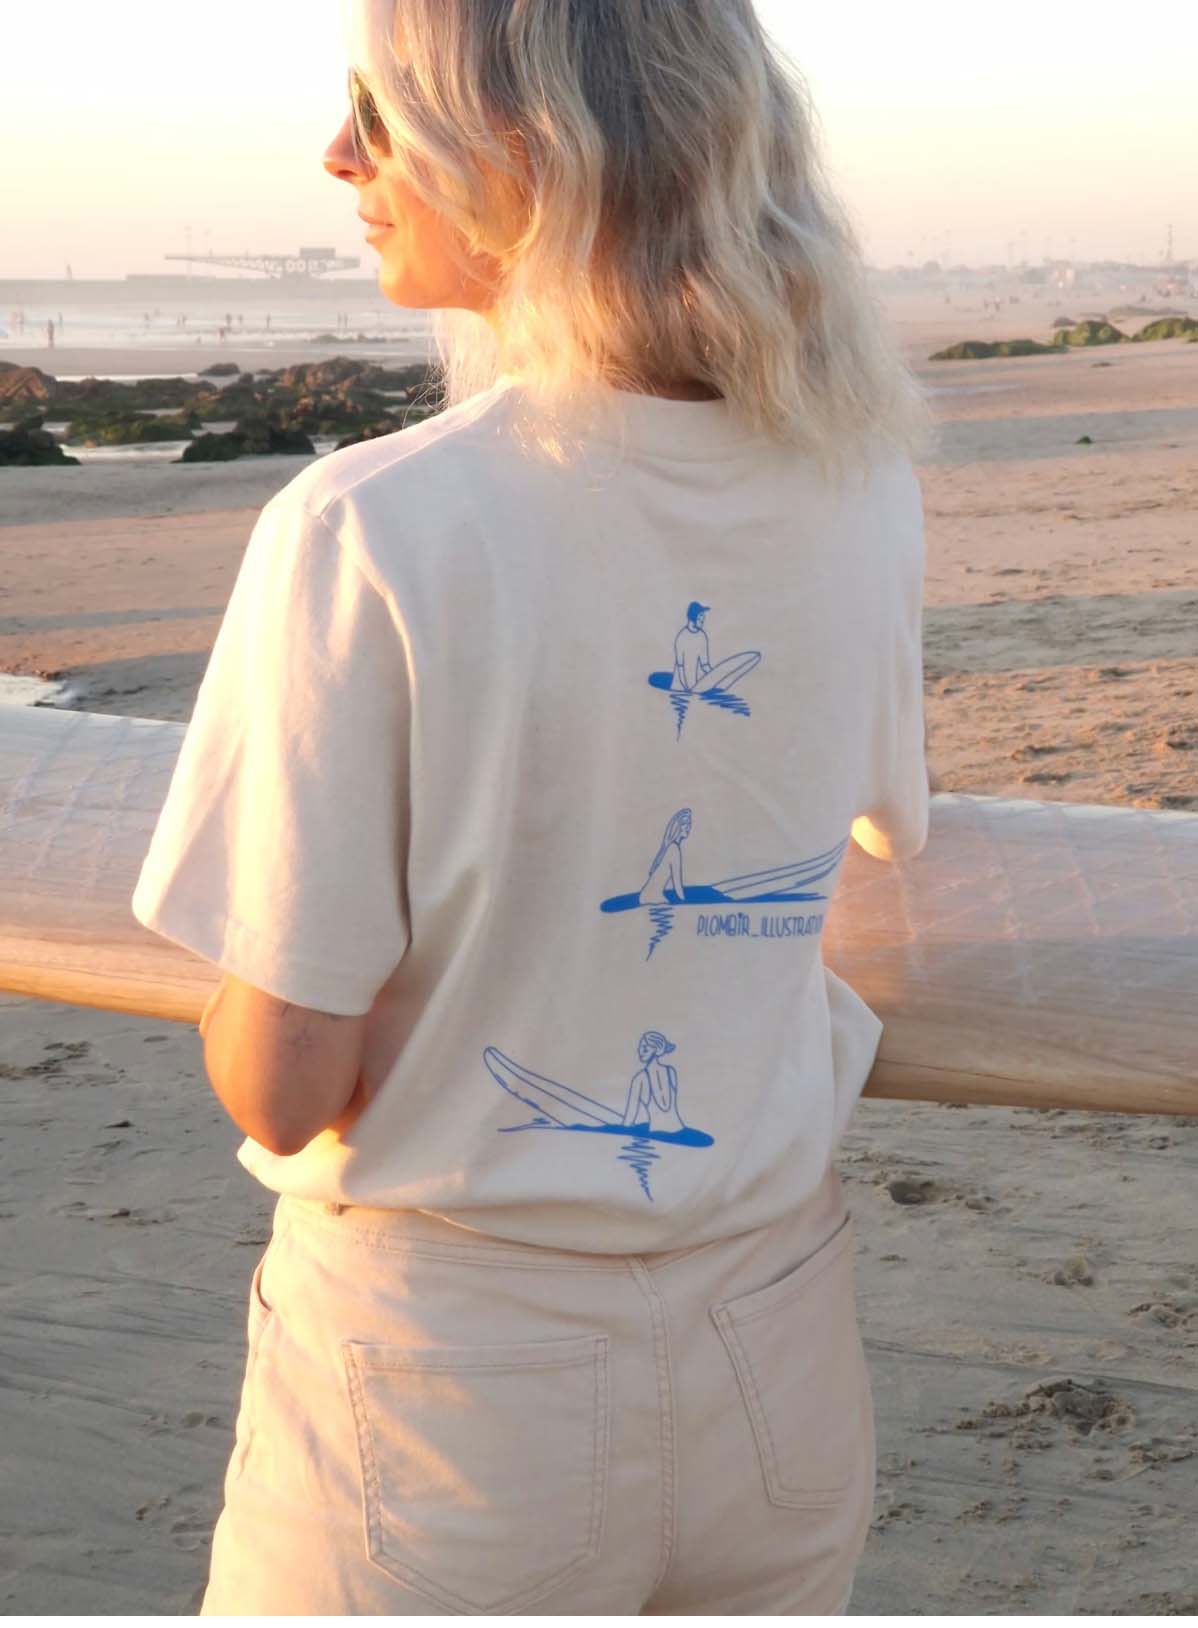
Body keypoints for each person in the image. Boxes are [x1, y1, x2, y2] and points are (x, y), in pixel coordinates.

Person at [131, 0, 935, 1614]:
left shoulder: (372, 526)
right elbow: (875, 834)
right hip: (775, 1338)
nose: (339, 155)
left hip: (449, 1391)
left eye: (377, 108)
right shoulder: (858, 481)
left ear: (524, 149)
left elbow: (285, 1083)